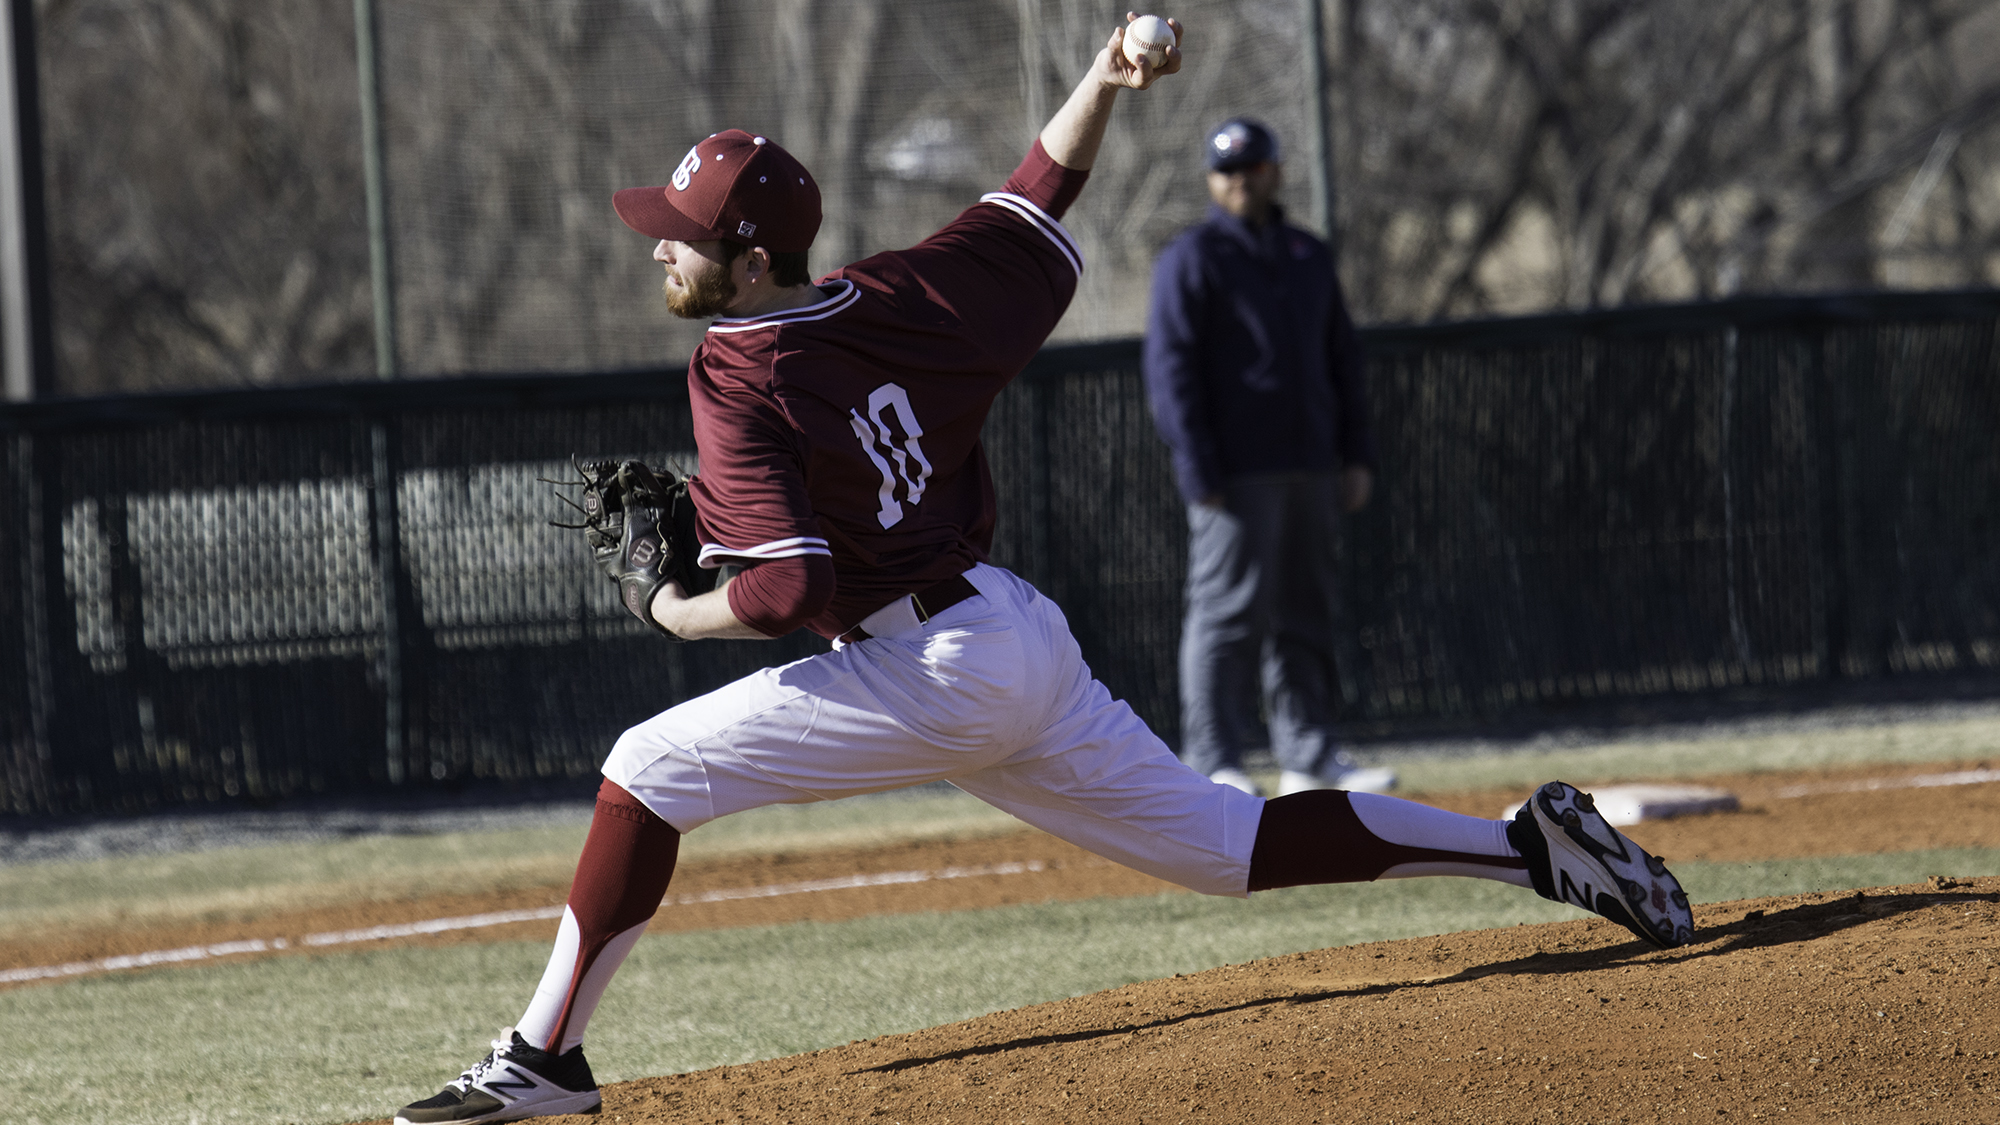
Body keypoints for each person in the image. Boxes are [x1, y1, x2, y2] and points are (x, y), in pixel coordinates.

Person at [392, 18, 1693, 1125]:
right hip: (1002, 630)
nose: (656, 247)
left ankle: (543, 1060)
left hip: (929, 666)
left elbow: (787, 593)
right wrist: (1105, 76)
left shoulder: (734, 367)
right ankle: (1526, 850)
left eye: (679, 235)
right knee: (1227, 845)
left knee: (644, 767)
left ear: (749, 261)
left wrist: (671, 606)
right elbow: (1032, 197)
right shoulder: (897, 295)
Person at [1142, 117, 1391, 799]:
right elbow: (1170, 370)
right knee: (1226, 614)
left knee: (1306, 610)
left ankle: (1308, 755)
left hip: (1311, 460)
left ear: (1275, 172)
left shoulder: (1307, 254)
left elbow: (1343, 360)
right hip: (1235, 471)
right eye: (1226, 170)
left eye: (1252, 167)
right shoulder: (1193, 257)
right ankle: (1213, 757)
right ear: (1210, 180)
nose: (1240, 181)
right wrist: (1197, 466)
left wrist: (1357, 454)